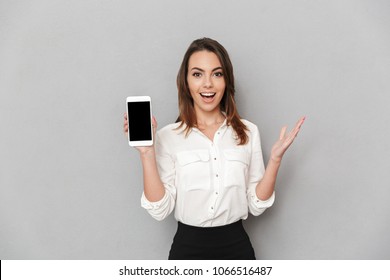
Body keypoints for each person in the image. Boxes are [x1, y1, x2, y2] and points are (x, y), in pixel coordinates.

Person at [123, 37, 305, 260]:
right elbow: (159, 209)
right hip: (186, 250)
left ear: (226, 80)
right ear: (186, 82)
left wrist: (275, 160)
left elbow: (256, 205)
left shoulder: (248, 132)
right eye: (197, 74)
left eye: (217, 74)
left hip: (237, 248)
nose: (207, 83)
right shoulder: (167, 137)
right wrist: (147, 153)